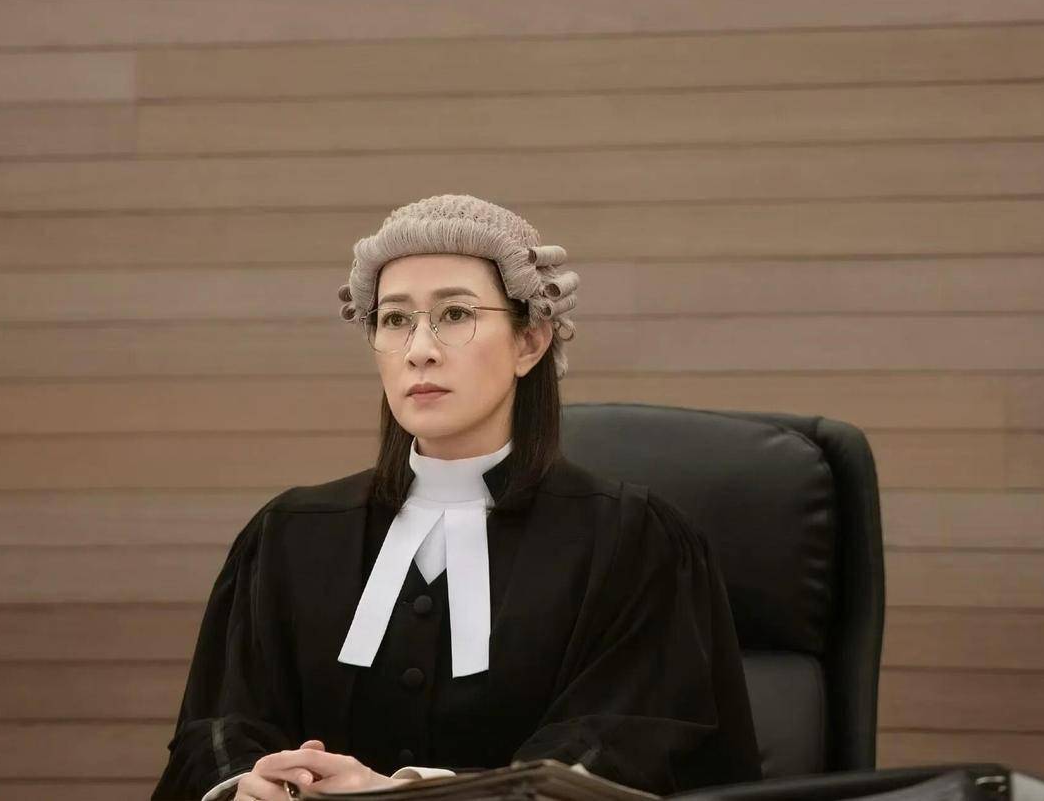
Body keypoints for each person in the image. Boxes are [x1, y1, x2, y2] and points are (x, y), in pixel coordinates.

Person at [151, 193, 762, 800]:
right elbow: (218, 728)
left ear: (530, 341)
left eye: (455, 314)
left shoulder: (636, 541)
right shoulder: (289, 535)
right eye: (395, 319)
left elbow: (623, 753)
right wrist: (246, 785)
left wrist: (405, 795)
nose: (420, 349)